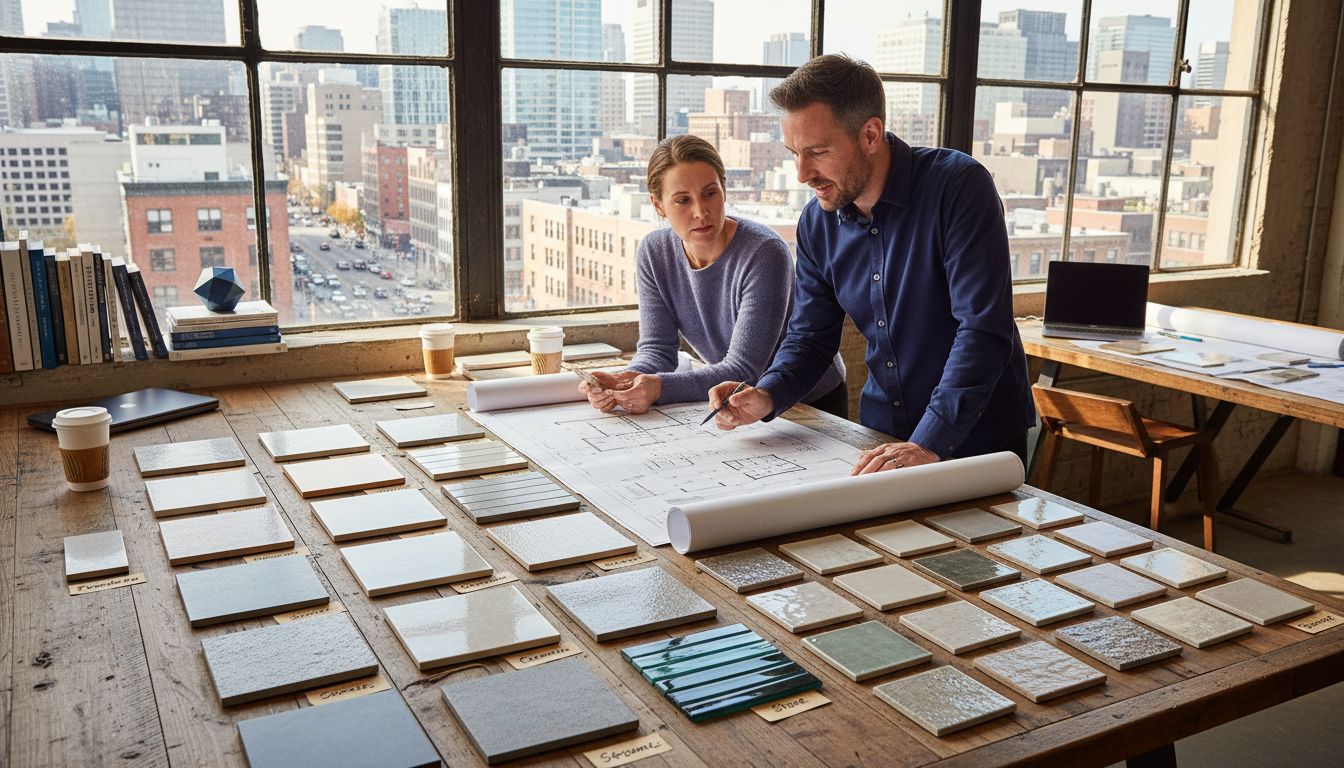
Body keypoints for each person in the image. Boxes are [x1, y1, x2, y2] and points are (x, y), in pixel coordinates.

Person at [708, 54, 1035, 475]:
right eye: (794, 153)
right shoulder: (817, 222)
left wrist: (928, 442)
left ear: (870, 134)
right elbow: (809, 338)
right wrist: (767, 394)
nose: (802, 173)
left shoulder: (959, 187)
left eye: (818, 152)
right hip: (882, 437)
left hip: (977, 443)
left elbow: (982, 330)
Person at [580, 134, 847, 417]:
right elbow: (657, 350)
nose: (701, 212)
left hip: (807, 401)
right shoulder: (654, 252)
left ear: (724, 189)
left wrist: (658, 388)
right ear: (659, 205)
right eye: (682, 200)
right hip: (734, 398)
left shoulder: (765, 252)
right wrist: (625, 381)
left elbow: (743, 369)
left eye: (710, 193)